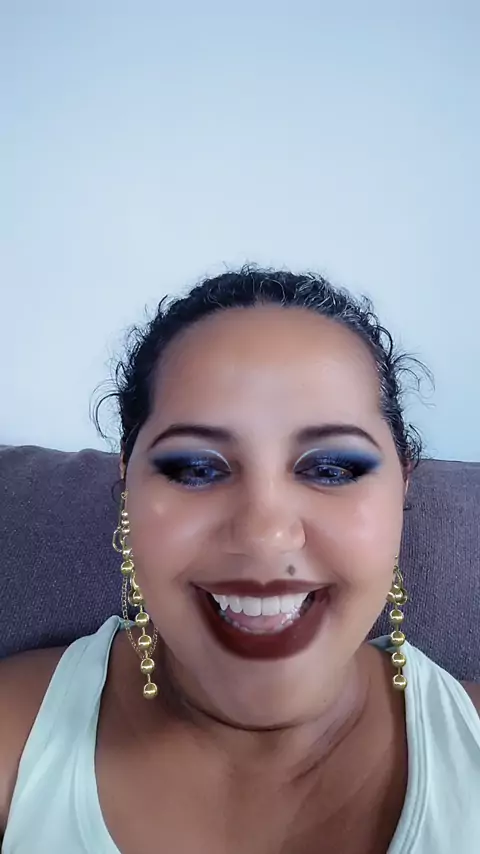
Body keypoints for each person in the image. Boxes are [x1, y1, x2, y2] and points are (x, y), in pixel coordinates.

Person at [1, 267, 479, 853]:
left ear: (401, 487)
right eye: (197, 469)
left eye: (332, 469)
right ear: (127, 485)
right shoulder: (15, 733)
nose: (264, 535)